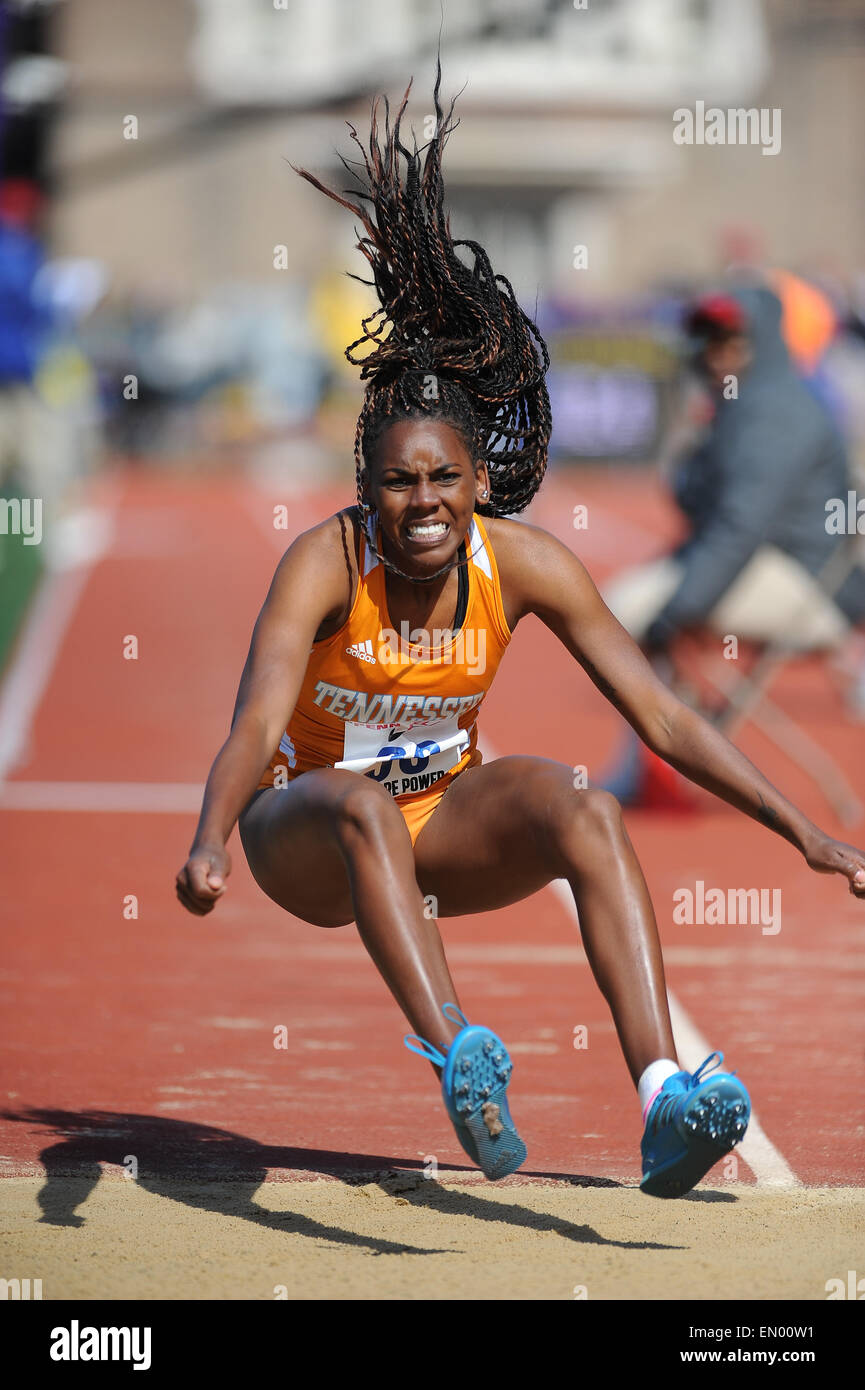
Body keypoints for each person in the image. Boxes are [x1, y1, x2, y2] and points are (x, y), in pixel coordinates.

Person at [175, 67, 865, 1197]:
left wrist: (801, 831)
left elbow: (661, 713)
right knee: (357, 803)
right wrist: (209, 840)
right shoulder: (324, 562)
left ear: (479, 480)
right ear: (367, 485)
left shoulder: (526, 564)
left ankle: (663, 1098)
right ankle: (461, 1054)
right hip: (302, 837)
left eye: (445, 477)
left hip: (439, 823)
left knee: (582, 804)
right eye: (398, 483)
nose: (424, 502)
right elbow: (255, 723)